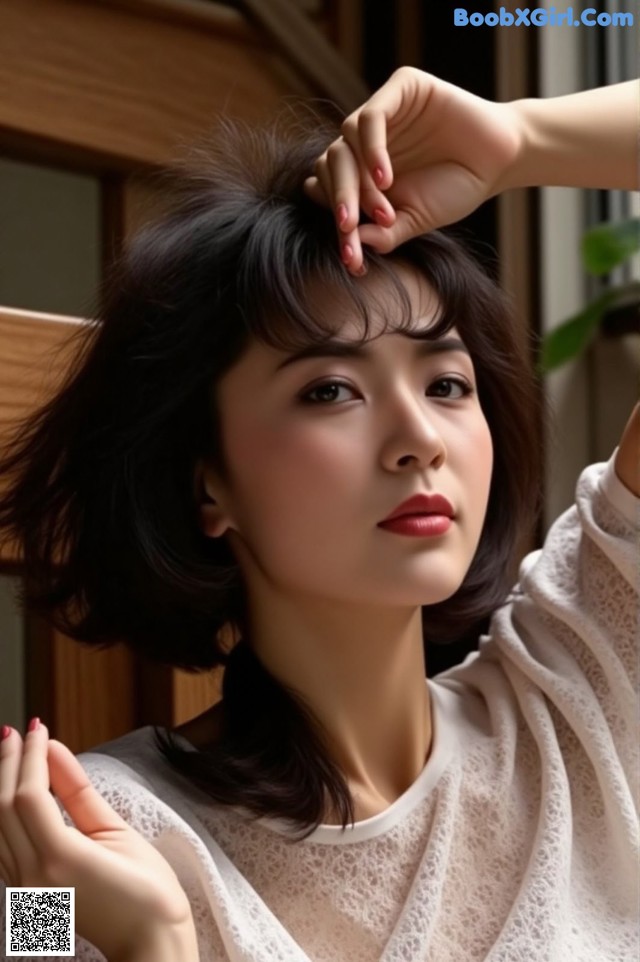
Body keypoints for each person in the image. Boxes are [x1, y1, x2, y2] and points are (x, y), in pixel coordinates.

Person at [0, 67, 637, 962]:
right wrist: (154, 943)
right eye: (331, 389)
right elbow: (22, 940)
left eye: (448, 384)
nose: (419, 439)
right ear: (205, 483)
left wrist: (521, 141)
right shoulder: (71, 842)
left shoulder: (575, 693)